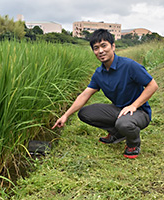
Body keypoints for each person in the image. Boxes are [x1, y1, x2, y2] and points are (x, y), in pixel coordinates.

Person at [52, 29, 158, 159]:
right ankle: (118, 134)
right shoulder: (99, 73)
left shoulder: (129, 65)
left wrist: (134, 106)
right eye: (96, 48)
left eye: (104, 46)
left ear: (113, 46)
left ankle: (133, 144)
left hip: (140, 112)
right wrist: (66, 115)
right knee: (85, 113)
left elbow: (152, 85)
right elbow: (85, 95)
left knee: (124, 124)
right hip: (119, 110)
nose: (100, 51)